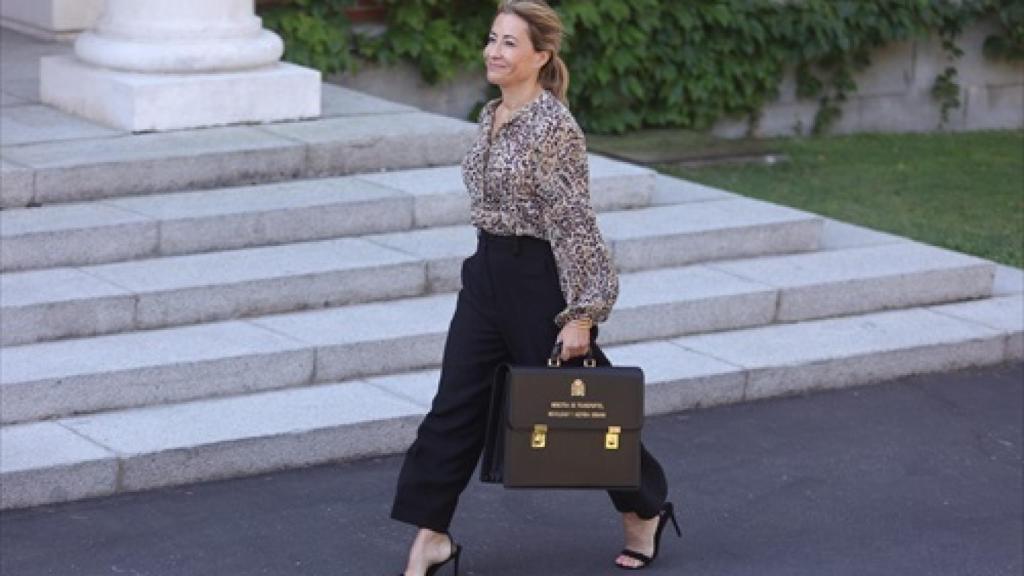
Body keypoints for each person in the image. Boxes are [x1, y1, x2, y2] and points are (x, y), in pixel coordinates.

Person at [390, 1, 679, 574]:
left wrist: (583, 314)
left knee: (588, 414)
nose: (494, 51)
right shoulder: (490, 114)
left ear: (541, 56)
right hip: (486, 274)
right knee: (453, 407)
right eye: (492, 39)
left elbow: (575, 221)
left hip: (537, 281)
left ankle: (644, 507)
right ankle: (431, 536)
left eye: (509, 43)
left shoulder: (555, 127)